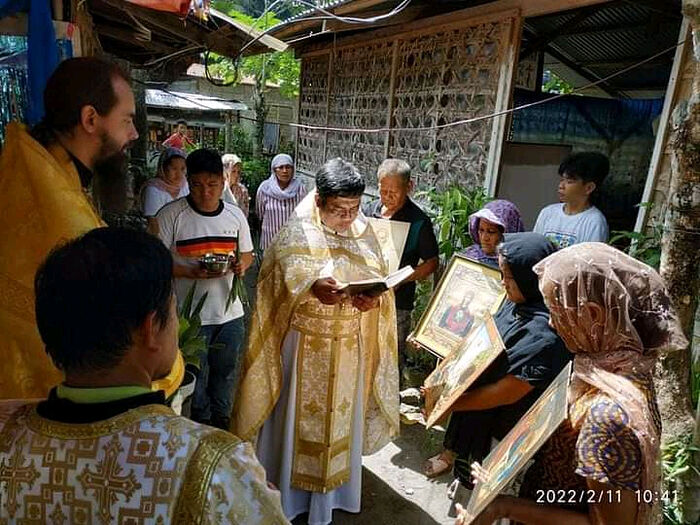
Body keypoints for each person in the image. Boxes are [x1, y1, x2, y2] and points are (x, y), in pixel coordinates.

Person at [0, 227, 287, 523]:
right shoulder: (212, 467)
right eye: (174, 311)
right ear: (149, 329)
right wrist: (253, 495)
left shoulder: (6, 437)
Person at [460, 243, 688, 525]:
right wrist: (503, 470)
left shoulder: (608, 416)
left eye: (556, 310)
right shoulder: (618, 368)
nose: (553, 324)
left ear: (592, 314)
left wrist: (503, 507)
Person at [0, 57, 181, 401]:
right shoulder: (54, 210)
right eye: (127, 120)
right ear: (90, 119)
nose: (134, 133)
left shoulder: (42, 167)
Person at [234, 158, 399, 525]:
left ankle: (335, 495)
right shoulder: (296, 233)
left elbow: (379, 278)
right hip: (303, 345)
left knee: (342, 419)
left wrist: (371, 298)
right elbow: (276, 279)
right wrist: (310, 287)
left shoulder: (365, 231)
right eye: (339, 210)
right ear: (320, 201)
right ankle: (291, 498)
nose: (347, 217)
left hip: (348, 348)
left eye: (354, 209)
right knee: (295, 419)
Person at [422, 233, 570, 481]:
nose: (503, 283)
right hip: (477, 408)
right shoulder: (519, 303)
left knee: (488, 487)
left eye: (509, 277)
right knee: (469, 477)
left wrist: (448, 403)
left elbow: (509, 391)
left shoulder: (545, 333)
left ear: (531, 278)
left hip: (504, 429)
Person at [156, 148, 254, 430]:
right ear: (189, 181)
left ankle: (222, 419)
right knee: (192, 372)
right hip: (189, 318)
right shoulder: (171, 216)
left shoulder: (235, 216)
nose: (205, 192)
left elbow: (247, 254)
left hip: (229, 313)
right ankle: (201, 420)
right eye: (197, 185)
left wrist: (241, 266)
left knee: (225, 371)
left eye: (212, 185)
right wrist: (189, 271)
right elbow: (155, 263)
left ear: (223, 183)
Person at [364, 158, 439, 374]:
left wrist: (402, 278)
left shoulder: (419, 221)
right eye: (383, 191)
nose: (387, 198)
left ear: (409, 187)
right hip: (366, 296)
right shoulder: (370, 210)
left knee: (389, 358)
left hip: (398, 302)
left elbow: (432, 263)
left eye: (393, 192)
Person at [533, 152, 610, 249]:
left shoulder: (594, 222)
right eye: (561, 180)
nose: (561, 186)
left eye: (569, 181)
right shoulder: (547, 213)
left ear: (589, 188)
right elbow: (534, 248)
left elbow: (590, 260)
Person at [256, 153, 307, 252]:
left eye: (288, 167)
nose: (285, 171)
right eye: (281, 167)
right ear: (274, 170)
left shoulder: (300, 188)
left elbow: (304, 214)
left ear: (293, 169)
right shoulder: (264, 188)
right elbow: (260, 213)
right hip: (270, 240)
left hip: (292, 241)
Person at [461, 199, 524, 269]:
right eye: (481, 230)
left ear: (507, 233)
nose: (484, 238)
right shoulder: (467, 257)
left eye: (491, 232)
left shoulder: (518, 267)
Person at [141, 147, 189, 232]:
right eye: (174, 169)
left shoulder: (185, 185)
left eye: (182, 169)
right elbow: (153, 223)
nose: (179, 174)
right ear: (163, 168)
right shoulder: (153, 189)